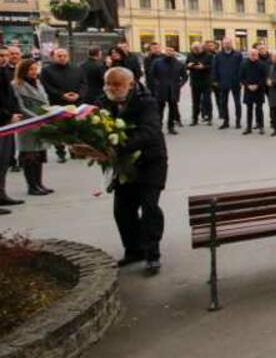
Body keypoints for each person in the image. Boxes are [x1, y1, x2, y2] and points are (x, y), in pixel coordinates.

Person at [85, 67, 168, 275]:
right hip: (123, 164)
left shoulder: (146, 102)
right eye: (107, 84)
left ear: (130, 84)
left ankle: (152, 254)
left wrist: (115, 148)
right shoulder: (103, 101)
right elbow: (92, 126)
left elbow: (150, 131)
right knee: (123, 210)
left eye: (116, 85)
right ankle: (133, 249)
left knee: (149, 207)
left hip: (151, 161)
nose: (111, 88)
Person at [12, 59, 53, 196]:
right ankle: (32, 186)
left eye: (35, 69)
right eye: (31, 69)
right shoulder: (16, 85)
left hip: (42, 121)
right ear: (23, 70)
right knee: (30, 155)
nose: (34, 72)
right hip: (27, 123)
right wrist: (36, 118)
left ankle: (39, 183)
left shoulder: (38, 82)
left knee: (39, 154)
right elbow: (20, 107)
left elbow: (45, 100)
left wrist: (48, 114)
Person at [39, 48, 86, 162]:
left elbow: (84, 84)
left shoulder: (77, 69)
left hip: (75, 103)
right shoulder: (46, 70)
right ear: (53, 57)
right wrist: (61, 95)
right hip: (57, 103)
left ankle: (74, 150)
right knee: (58, 129)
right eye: (59, 56)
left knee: (75, 128)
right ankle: (60, 152)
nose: (62, 58)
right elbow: (46, 86)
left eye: (65, 56)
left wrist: (79, 95)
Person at [0, 61, 25, 211]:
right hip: (3, 120)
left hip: (7, 122)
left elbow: (11, 96)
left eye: (5, 55)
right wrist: (8, 115)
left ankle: (1, 195)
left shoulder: (3, 72)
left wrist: (15, 112)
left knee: (3, 162)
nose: (3, 58)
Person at [150, 46, 188, 135]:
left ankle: (171, 127)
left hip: (173, 90)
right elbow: (152, 74)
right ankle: (158, 127)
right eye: (167, 50)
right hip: (161, 89)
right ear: (164, 51)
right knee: (160, 109)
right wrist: (157, 83)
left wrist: (180, 84)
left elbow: (185, 76)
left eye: (171, 51)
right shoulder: (157, 62)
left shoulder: (179, 64)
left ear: (174, 52)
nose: (169, 52)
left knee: (173, 109)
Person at [212, 39, 243, 130]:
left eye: (228, 43)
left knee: (237, 103)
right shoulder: (218, 55)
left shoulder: (238, 54)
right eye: (225, 43)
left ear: (231, 44)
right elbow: (215, 68)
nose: (227, 45)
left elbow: (242, 68)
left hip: (235, 82)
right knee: (223, 103)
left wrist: (241, 80)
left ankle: (238, 122)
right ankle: (226, 121)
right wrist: (215, 79)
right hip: (223, 82)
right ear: (222, 45)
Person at [239, 47, 268, 135]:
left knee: (259, 109)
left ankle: (261, 126)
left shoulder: (262, 64)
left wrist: (257, 85)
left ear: (257, 55)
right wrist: (247, 85)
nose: (253, 56)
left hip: (259, 89)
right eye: (251, 54)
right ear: (248, 55)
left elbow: (265, 77)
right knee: (249, 109)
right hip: (248, 89)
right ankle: (248, 127)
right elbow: (241, 77)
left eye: (255, 54)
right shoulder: (243, 64)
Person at [186, 43, 214, 126]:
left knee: (207, 100)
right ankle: (194, 119)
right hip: (194, 81)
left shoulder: (209, 55)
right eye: (194, 49)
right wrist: (189, 66)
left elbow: (212, 66)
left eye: (197, 48)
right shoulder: (190, 55)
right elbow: (186, 65)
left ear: (201, 48)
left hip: (206, 81)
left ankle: (209, 118)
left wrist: (203, 67)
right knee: (195, 101)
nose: (195, 50)